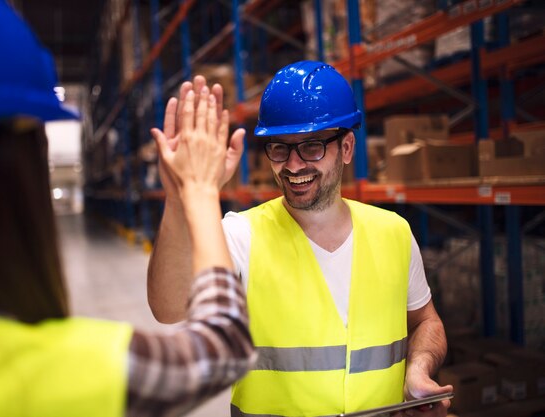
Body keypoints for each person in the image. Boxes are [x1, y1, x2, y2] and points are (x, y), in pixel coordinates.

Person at [0, 1, 255, 416]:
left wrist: (179, 197)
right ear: (3, 175)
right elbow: (222, 348)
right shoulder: (43, 372)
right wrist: (199, 190)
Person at [147, 61, 453, 417]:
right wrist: (178, 196)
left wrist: (418, 368)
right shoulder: (241, 235)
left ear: (348, 148)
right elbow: (168, 309)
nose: (292, 166)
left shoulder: (394, 233)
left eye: (311, 147)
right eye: (279, 148)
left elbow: (425, 322)